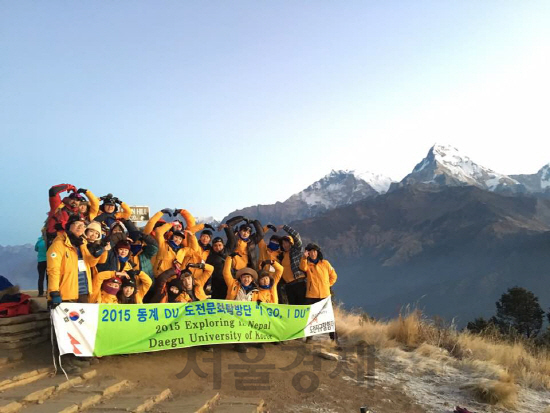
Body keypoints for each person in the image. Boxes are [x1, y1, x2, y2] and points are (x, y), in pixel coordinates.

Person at [299, 243, 338, 341]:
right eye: (310, 251)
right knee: (311, 317)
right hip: (311, 295)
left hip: (324, 295)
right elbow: (302, 268)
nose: (313, 253)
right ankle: (309, 338)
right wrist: (304, 257)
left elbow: (334, 276)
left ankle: (334, 339)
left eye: (314, 251)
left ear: (318, 252)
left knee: (329, 318)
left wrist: (327, 285)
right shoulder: (307, 264)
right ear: (308, 253)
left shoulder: (325, 263)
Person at [205, 224, 237, 300]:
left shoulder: (228, 250)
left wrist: (227, 228)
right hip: (217, 283)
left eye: (220, 245)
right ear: (212, 247)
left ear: (223, 245)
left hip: (230, 281)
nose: (218, 247)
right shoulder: (211, 257)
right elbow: (207, 271)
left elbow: (232, 239)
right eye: (215, 245)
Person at [277, 225, 306, 305]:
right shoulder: (282, 255)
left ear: (291, 243)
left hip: (299, 283)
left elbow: (296, 235)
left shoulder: (296, 250)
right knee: (293, 309)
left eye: (286, 242)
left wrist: (284, 227)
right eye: (283, 243)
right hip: (289, 286)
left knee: (302, 307)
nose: (284, 245)